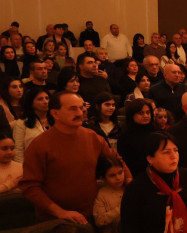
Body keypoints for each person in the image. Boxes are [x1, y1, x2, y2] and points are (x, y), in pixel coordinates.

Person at [21, 92, 130, 222]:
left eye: (81, 107)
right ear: (55, 113)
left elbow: (115, 159)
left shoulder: (92, 137)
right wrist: (60, 212)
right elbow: (30, 187)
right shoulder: (40, 145)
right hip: (56, 219)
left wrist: (129, 180)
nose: (80, 113)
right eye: (73, 108)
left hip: (91, 213)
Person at [93, 155, 126, 233]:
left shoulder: (129, 188)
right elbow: (99, 220)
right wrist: (121, 208)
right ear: (103, 178)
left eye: (120, 172)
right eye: (112, 175)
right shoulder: (102, 194)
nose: (118, 178)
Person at [13, 87, 52, 164]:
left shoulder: (57, 119)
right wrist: (21, 168)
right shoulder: (22, 123)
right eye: (40, 99)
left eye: (47, 98)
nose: (45, 102)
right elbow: (18, 150)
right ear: (31, 103)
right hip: (32, 164)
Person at [117, 99, 155, 177]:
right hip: (135, 175)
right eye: (141, 113)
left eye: (148, 112)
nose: (146, 116)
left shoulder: (156, 131)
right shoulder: (125, 136)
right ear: (132, 115)